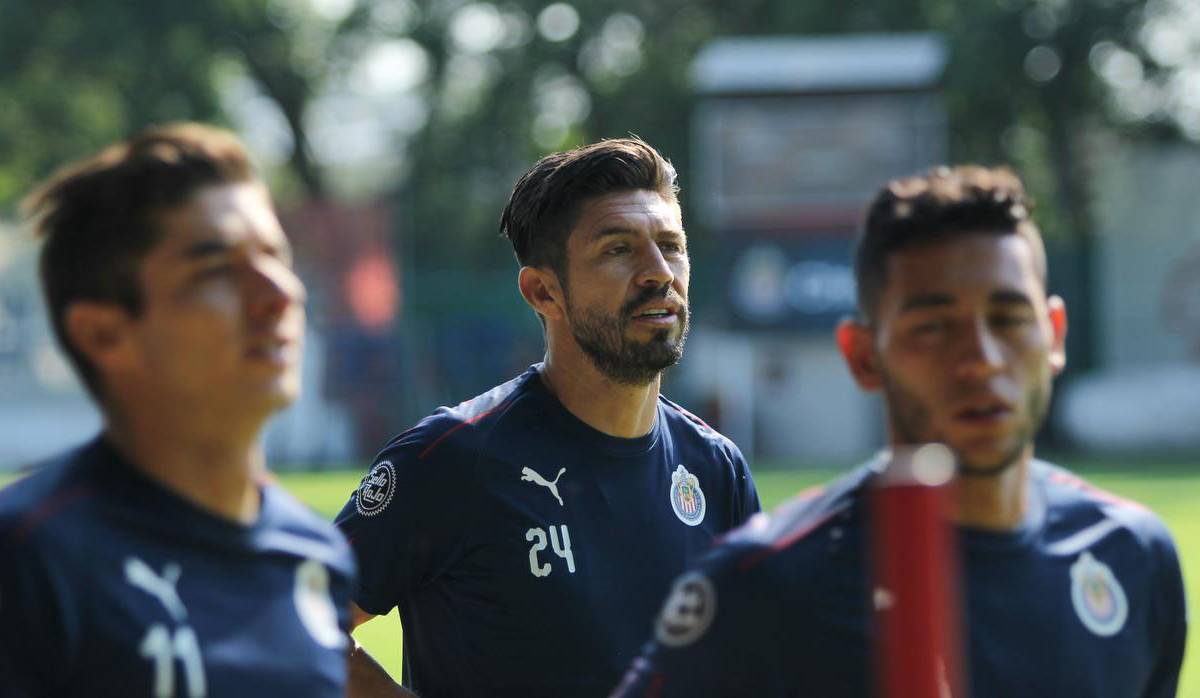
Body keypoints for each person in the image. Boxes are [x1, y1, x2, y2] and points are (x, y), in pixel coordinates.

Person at [612, 165, 1187, 697]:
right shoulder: (762, 584)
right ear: (863, 356)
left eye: (1010, 319)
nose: (982, 360)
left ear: (1054, 335)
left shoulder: (1133, 555)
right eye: (934, 327)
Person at [336, 137, 761, 697]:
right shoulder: (453, 458)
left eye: (671, 246)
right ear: (543, 291)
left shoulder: (716, 469)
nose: (659, 272)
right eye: (618, 249)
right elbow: (296, 618)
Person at [0, 124, 357, 697]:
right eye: (216, 268)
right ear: (104, 334)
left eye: (275, 254)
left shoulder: (316, 557)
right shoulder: (30, 557)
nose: (279, 292)